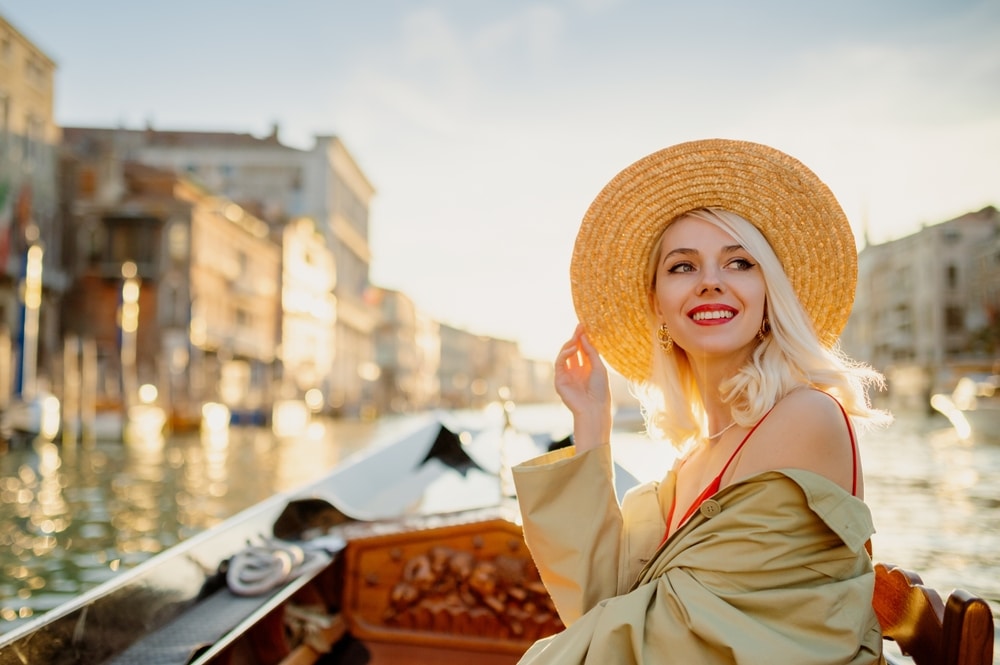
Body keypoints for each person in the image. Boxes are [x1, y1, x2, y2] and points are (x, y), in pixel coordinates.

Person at [512, 139, 892, 664]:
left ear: (768, 295)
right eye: (682, 267)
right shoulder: (692, 461)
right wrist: (592, 422)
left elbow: (679, 639)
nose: (711, 282)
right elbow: (600, 603)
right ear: (658, 307)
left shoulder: (804, 417)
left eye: (739, 262)